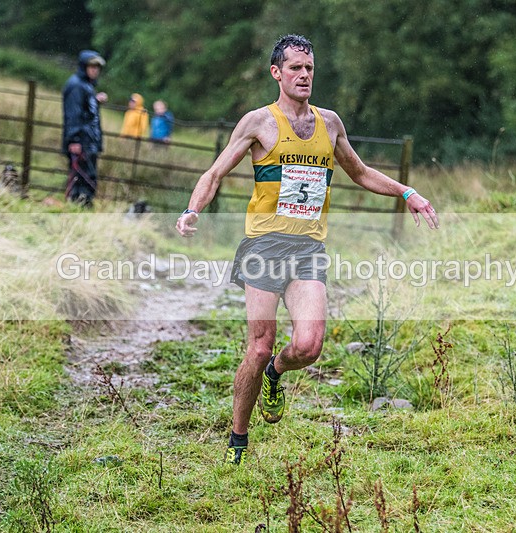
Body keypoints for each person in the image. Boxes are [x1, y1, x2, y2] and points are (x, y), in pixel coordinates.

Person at [175, 34, 439, 465]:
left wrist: (407, 192)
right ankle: (238, 438)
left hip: (308, 250)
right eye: (295, 68)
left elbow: (360, 171)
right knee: (258, 348)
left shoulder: (329, 123)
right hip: (264, 246)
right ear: (277, 73)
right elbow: (215, 171)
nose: (304, 76)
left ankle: (277, 374)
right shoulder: (258, 122)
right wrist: (192, 209)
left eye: (309, 69)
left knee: (310, 345)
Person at [62, 50, 108, 207]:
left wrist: (95, 101)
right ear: (84, 67)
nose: (95, 70)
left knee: (88, 176)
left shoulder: (86, 86)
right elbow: (73, 115)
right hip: (81, 141)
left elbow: (86, 112)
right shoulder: (76, 86)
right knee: (81, 177)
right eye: (92, 66)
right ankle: (78, 207)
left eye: (97, 67)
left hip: (89, 141)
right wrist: (74, 139)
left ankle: (84, 206)